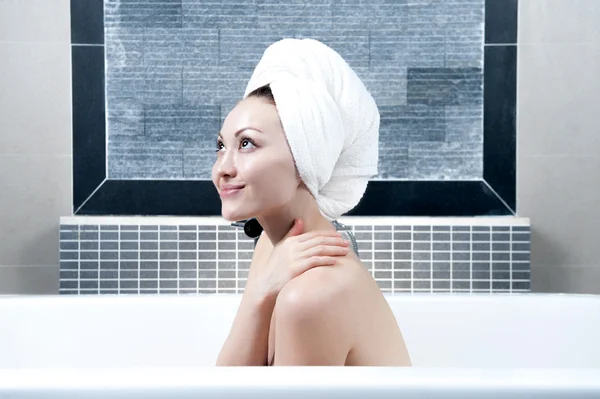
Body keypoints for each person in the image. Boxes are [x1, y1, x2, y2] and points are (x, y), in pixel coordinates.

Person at [212, 39, 411, 366]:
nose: (223, 168)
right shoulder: (273, 246)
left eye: (247, 143)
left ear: (306, 161)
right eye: (221, 145)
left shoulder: (310, 297)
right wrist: (260, 296)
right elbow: (226, 387)